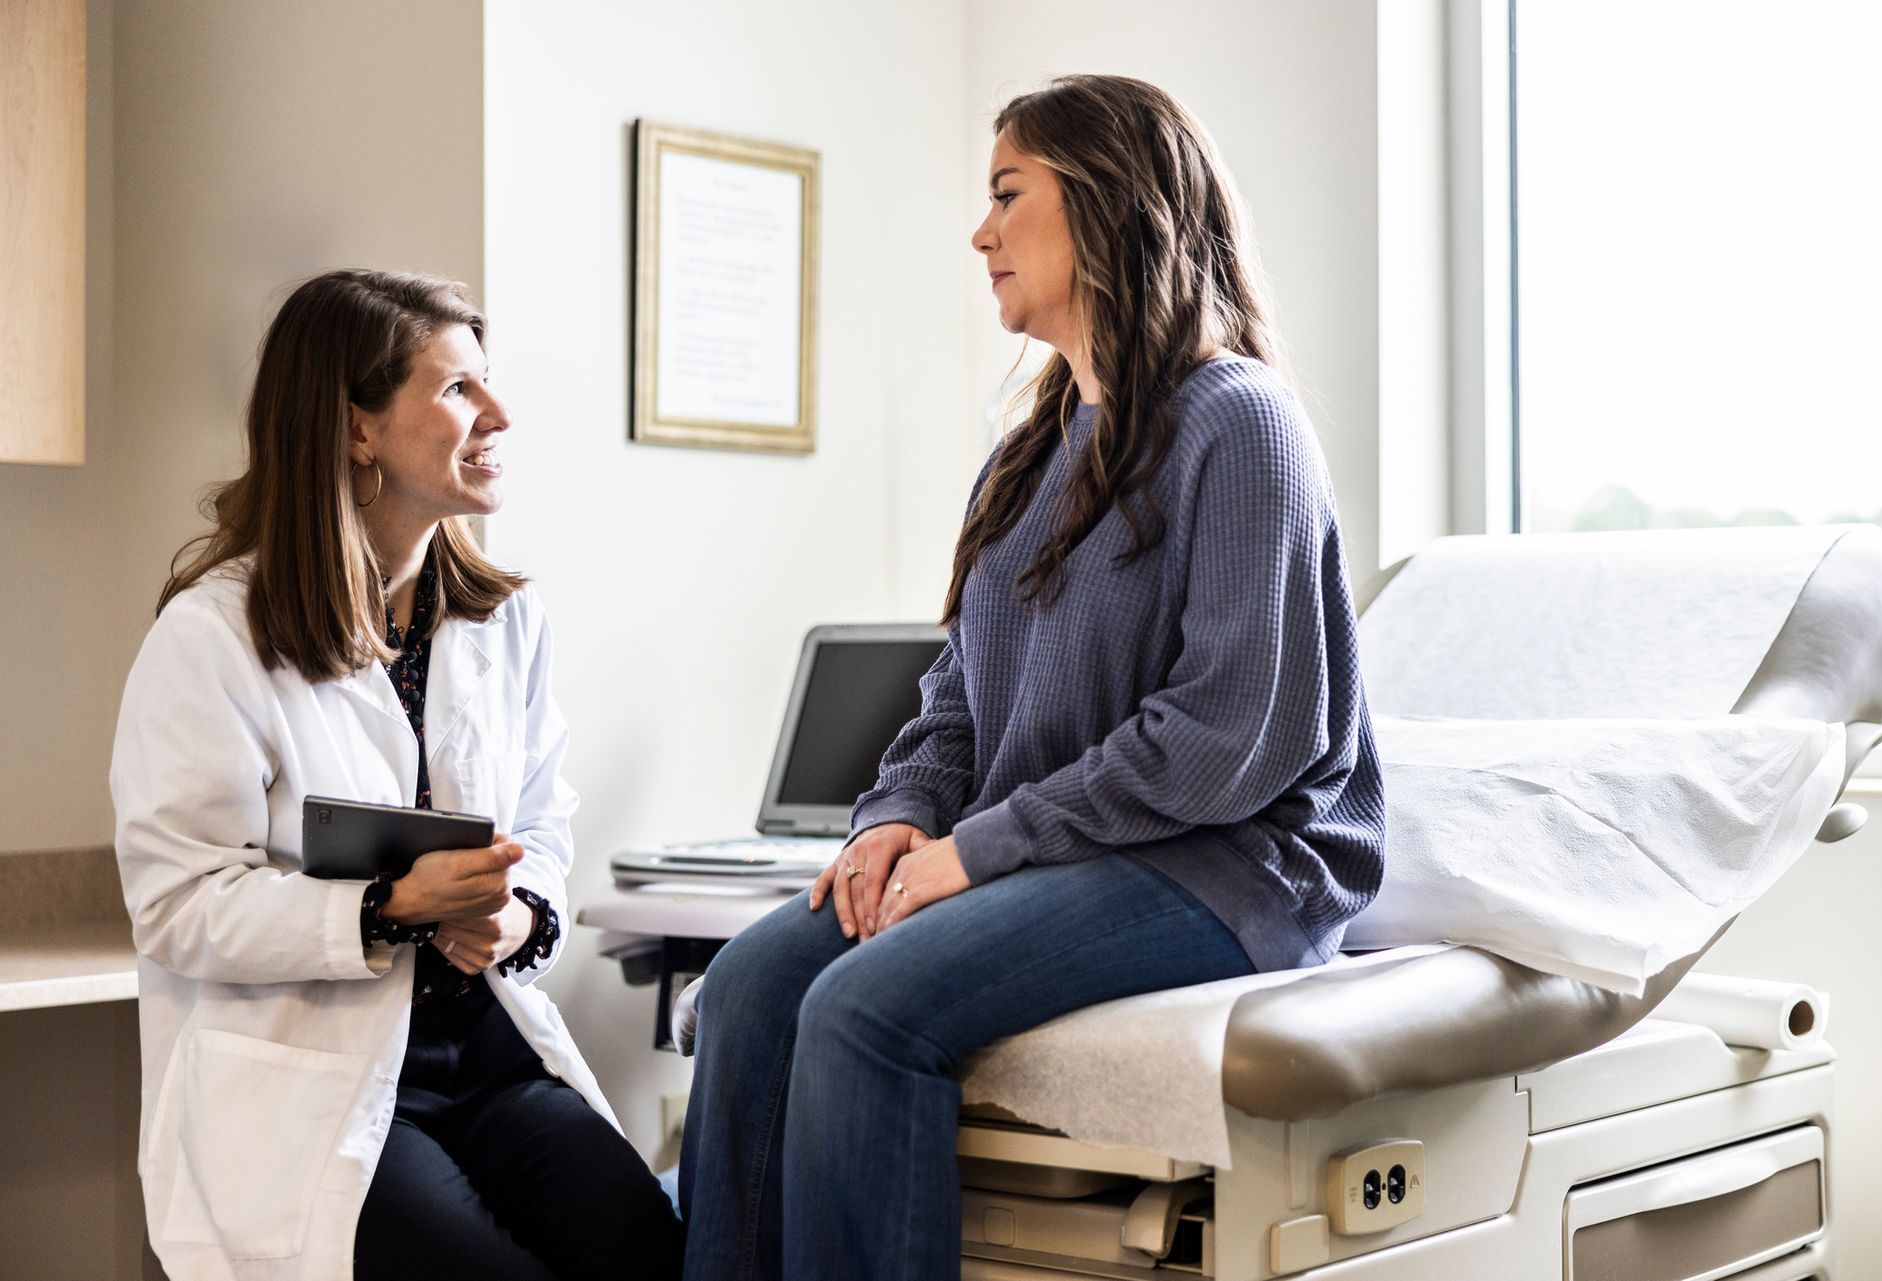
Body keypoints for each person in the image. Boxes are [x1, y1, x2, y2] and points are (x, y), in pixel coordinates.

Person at [676, 74, 1387, 1281]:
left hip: (1229, 861)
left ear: (1108, 206)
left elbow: (1225, 736)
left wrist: (980, 851)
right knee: (748, 987)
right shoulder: (1028, 456)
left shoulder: (1241, 425)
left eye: (1009, 195)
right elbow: (955, 698)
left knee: (863, 1010)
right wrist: (897, 820)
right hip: (1068, 848)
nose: (980, 232)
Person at [110, 269, 682, 1281]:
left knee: (653, 1249)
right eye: (459, 389)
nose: (498, 413)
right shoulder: (212, 637)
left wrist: (521, 918)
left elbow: (545, 824)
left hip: (487, 1056)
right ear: (357, 430)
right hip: (315, 1078)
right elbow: (178, 905)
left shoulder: (505, 623)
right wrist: (383, 907)